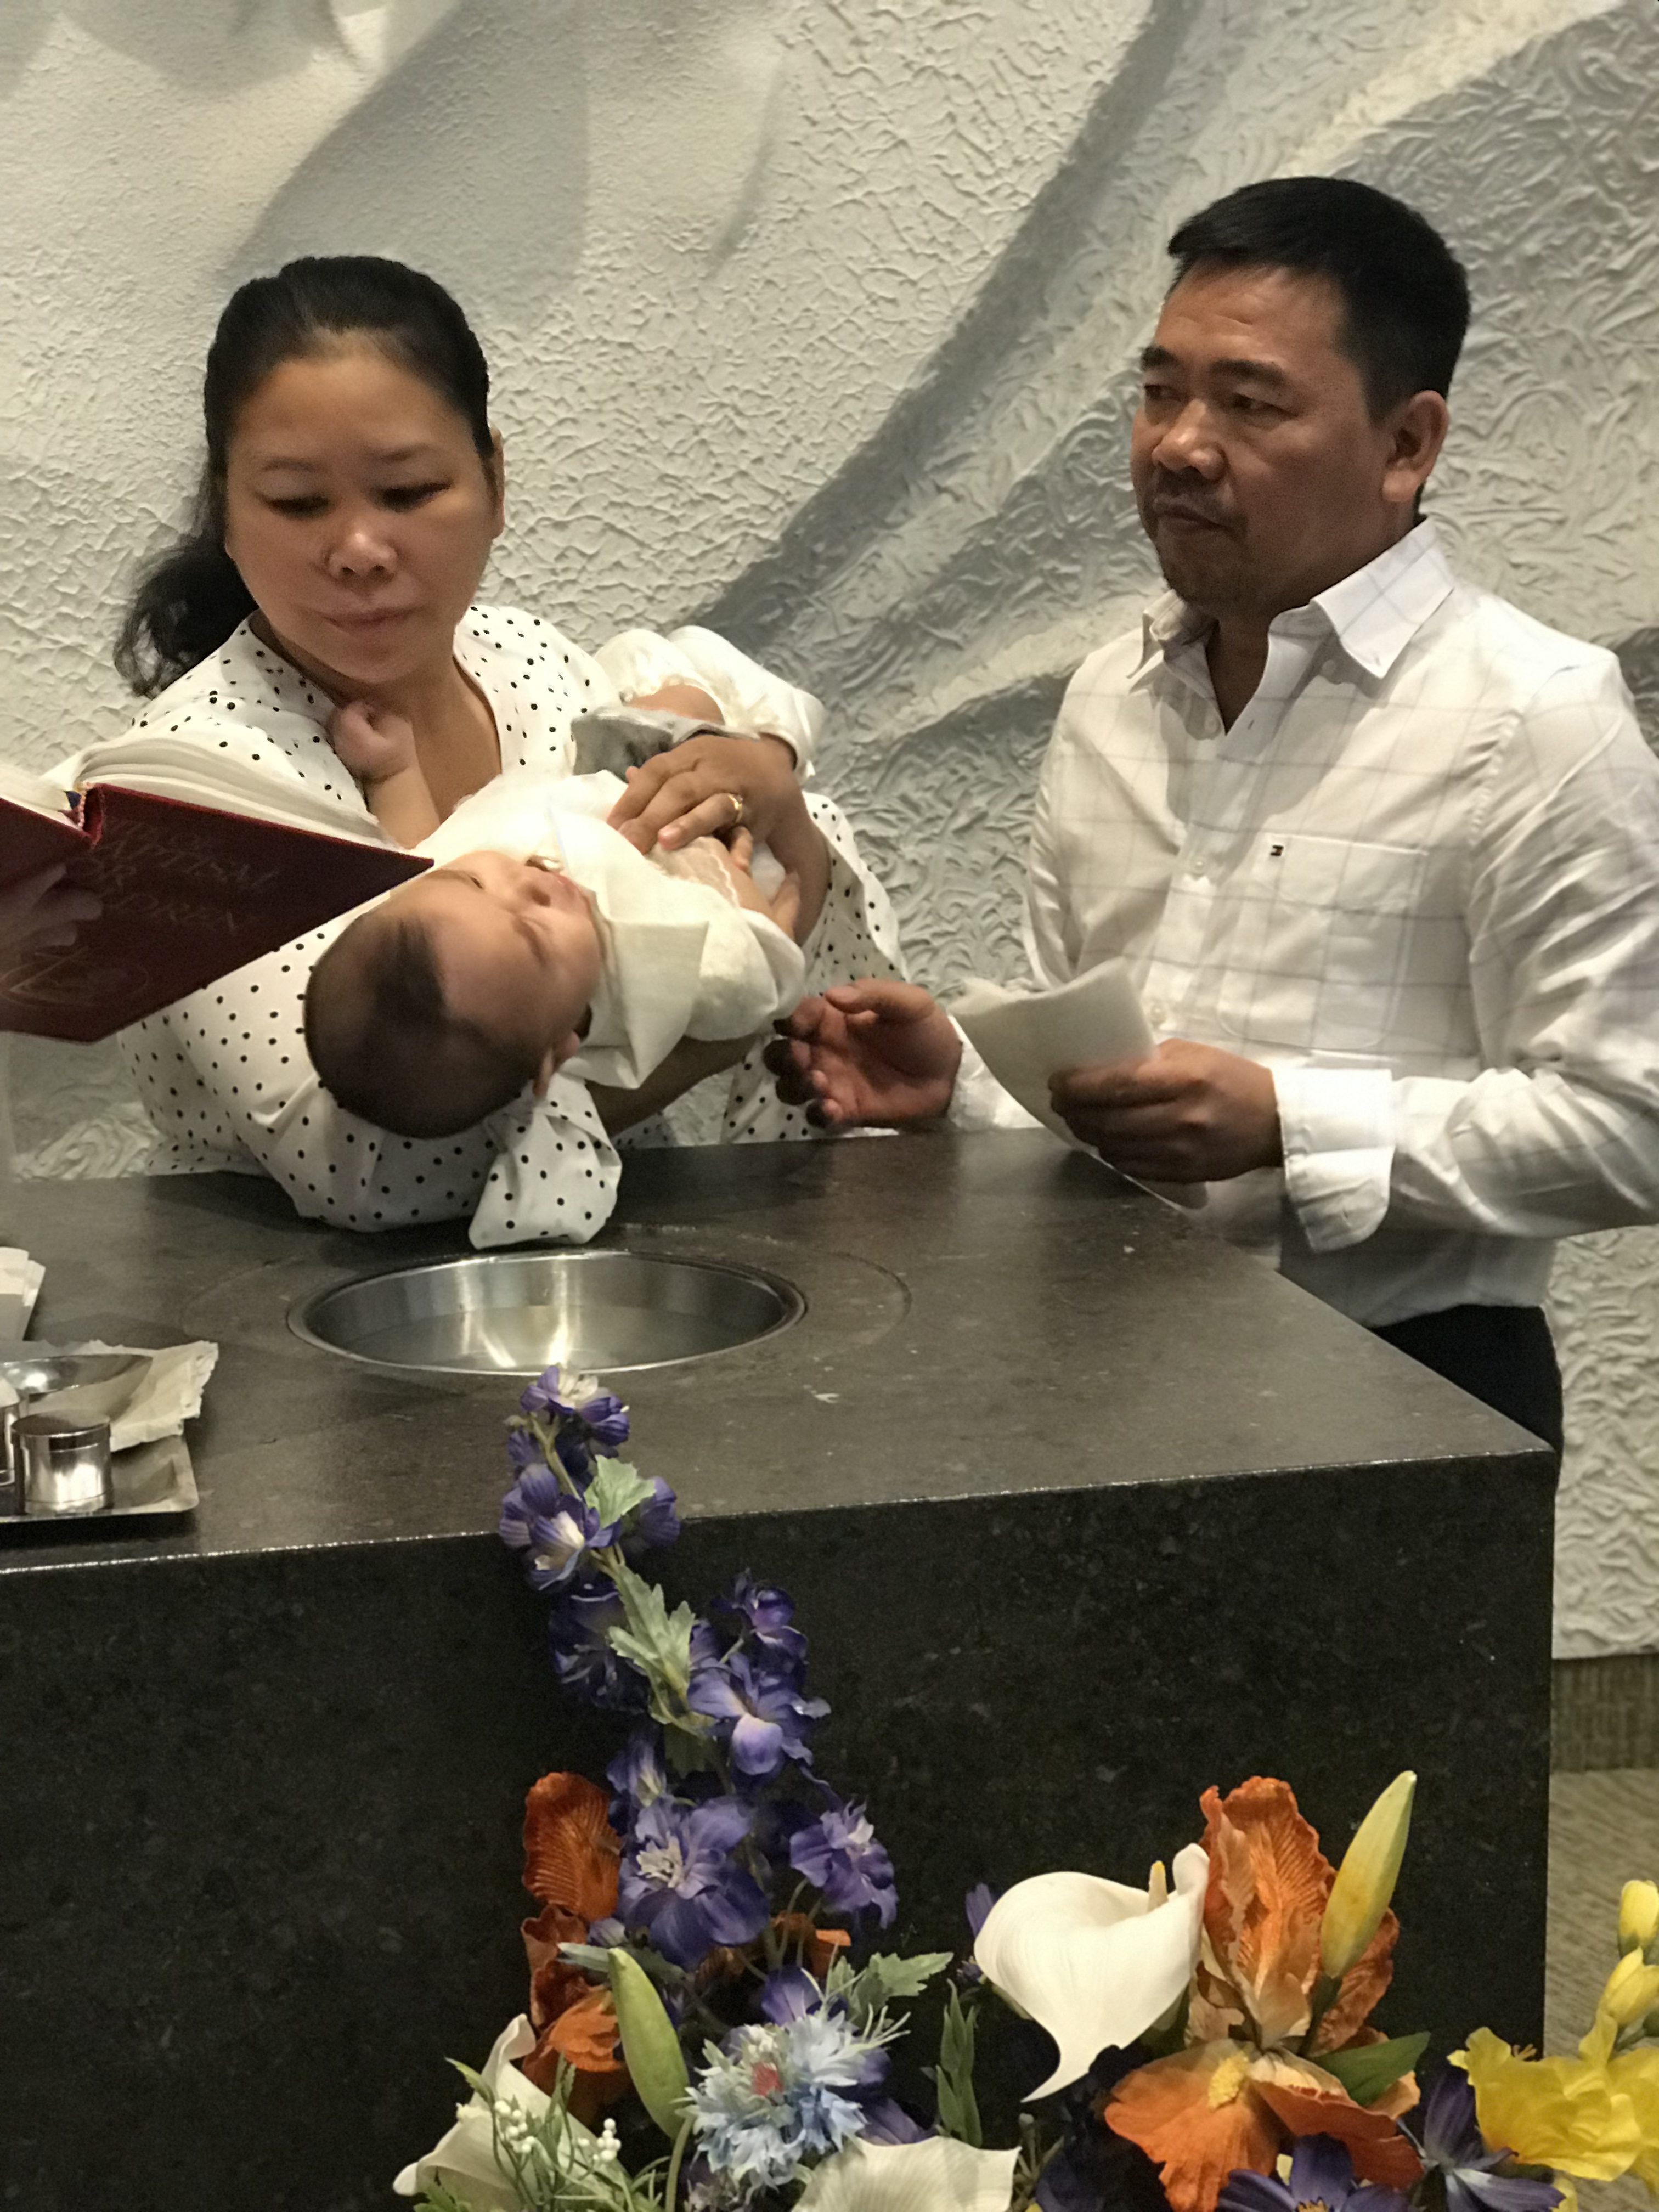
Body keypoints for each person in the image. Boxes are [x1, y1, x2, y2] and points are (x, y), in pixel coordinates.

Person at [771, 176, 1659, 1450]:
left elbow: (1632, 1127)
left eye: (1249, 403)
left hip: (1414, 1404)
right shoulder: (1112, 697)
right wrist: (964, 1083)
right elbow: (1112, 1107)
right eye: (1160, 391)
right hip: (1106, 1369)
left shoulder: (1536, 715)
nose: (1180, 444)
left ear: (1406, 445)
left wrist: (1288, 1125)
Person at [97, 254, 900, 1245]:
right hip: (294, 1308)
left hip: (605, 1266)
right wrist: (731, 1009)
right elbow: (365, 1172)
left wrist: (762, 793)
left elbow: (684, 867)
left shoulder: (528, 660)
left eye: (407, 490)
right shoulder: (179, 784)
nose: (359, 549)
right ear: (226, 510)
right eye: (298, 503)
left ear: (494, 482)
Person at [303, 696, 807, 1164]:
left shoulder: (435, 900)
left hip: (597, 774)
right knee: (689, 702)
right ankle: (779, 733)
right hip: (695, 837)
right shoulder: (646, 983)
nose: (527, 885)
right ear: (560, 1051)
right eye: (536, 936)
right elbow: (756, 977)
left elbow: (420, 843)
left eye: (475, 883)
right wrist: (736, 887)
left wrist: (392, 770)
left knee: (668, 697)